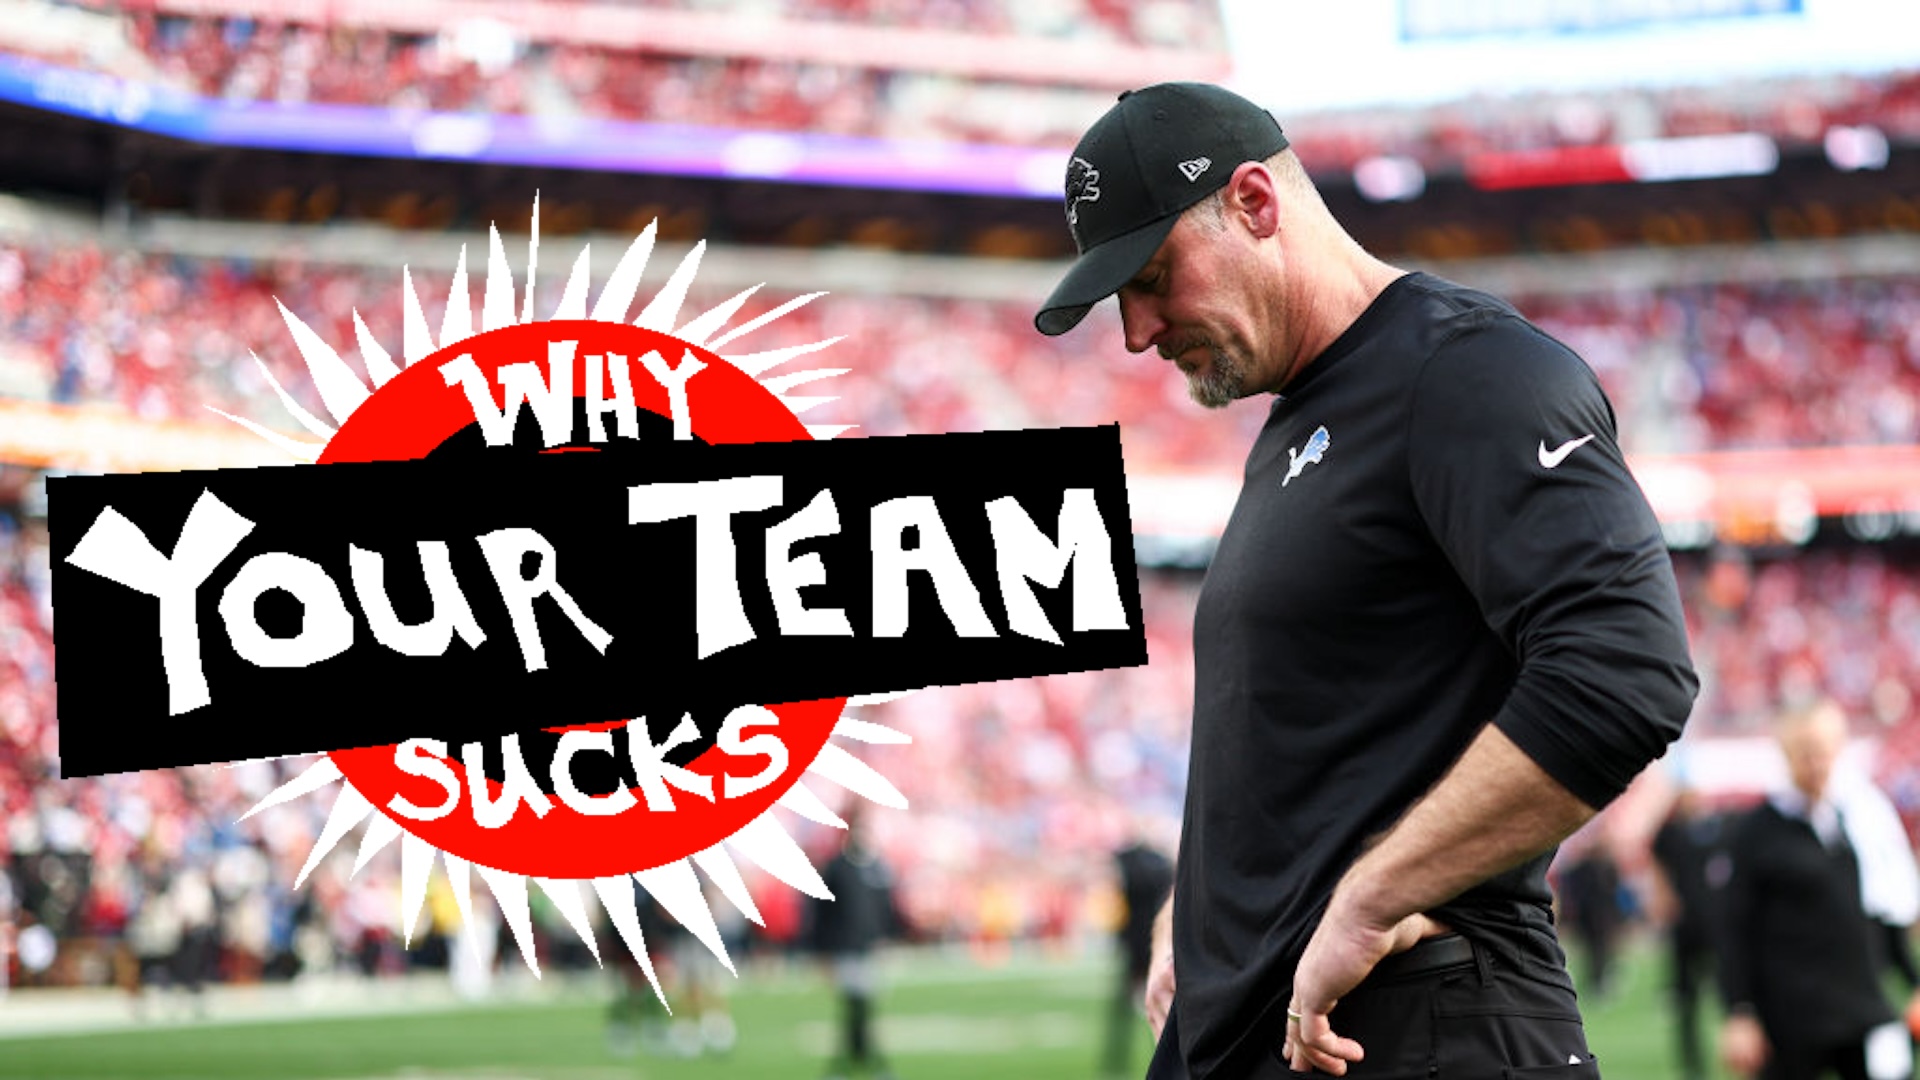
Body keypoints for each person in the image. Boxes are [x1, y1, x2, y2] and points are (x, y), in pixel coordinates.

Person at [1033, 82, 1699, 1079]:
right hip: (1281, 1031)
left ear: (1256, 202)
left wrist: (1375, 893)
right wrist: (1205, 899)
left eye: (1153, 275)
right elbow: (1333, 735)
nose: (1137, 331)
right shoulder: (1301, 416)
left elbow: (1624, 667)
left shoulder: (1465, 370)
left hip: (1416, 1025)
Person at [1718, 700, 1917, 1080]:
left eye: (1824, 751)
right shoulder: (1755, 832)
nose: (1817, 763)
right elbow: (1734, 928)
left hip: (1863, 1009)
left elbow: (1881, 911)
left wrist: (1914, 981)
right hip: (1790, 1020)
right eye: (1805, 752)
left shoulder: (1857, 818)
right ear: (1786, 753)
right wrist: (1739, 1012)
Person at [807, 804, 906, 1080]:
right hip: (844, 949)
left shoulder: (876, 866)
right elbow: (821, 914)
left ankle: (854, 1064)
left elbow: (886, 909)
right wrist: (822, 951)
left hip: (870, 949)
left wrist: (888, 939)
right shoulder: (836, 868)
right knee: (856, 1007)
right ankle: (862, 1064)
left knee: (862, 1009)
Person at [1649, 783, 1729, 1080]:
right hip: (1685, 923)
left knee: (1728, 991)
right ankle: (1692, 1061)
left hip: (1713, 922)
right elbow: (1656, 861)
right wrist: (1662, 894)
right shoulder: (1669, 833)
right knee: (1687, 998)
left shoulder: (1712, 829)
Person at [1107, 830, 1177, 1078]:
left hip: (1142, 941)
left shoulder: (1130, 865)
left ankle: (1121, 1059)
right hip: (1150, 940)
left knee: (1150, 1002)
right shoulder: (1157, 865)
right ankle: (1160, 1055)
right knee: (1158, 1003)